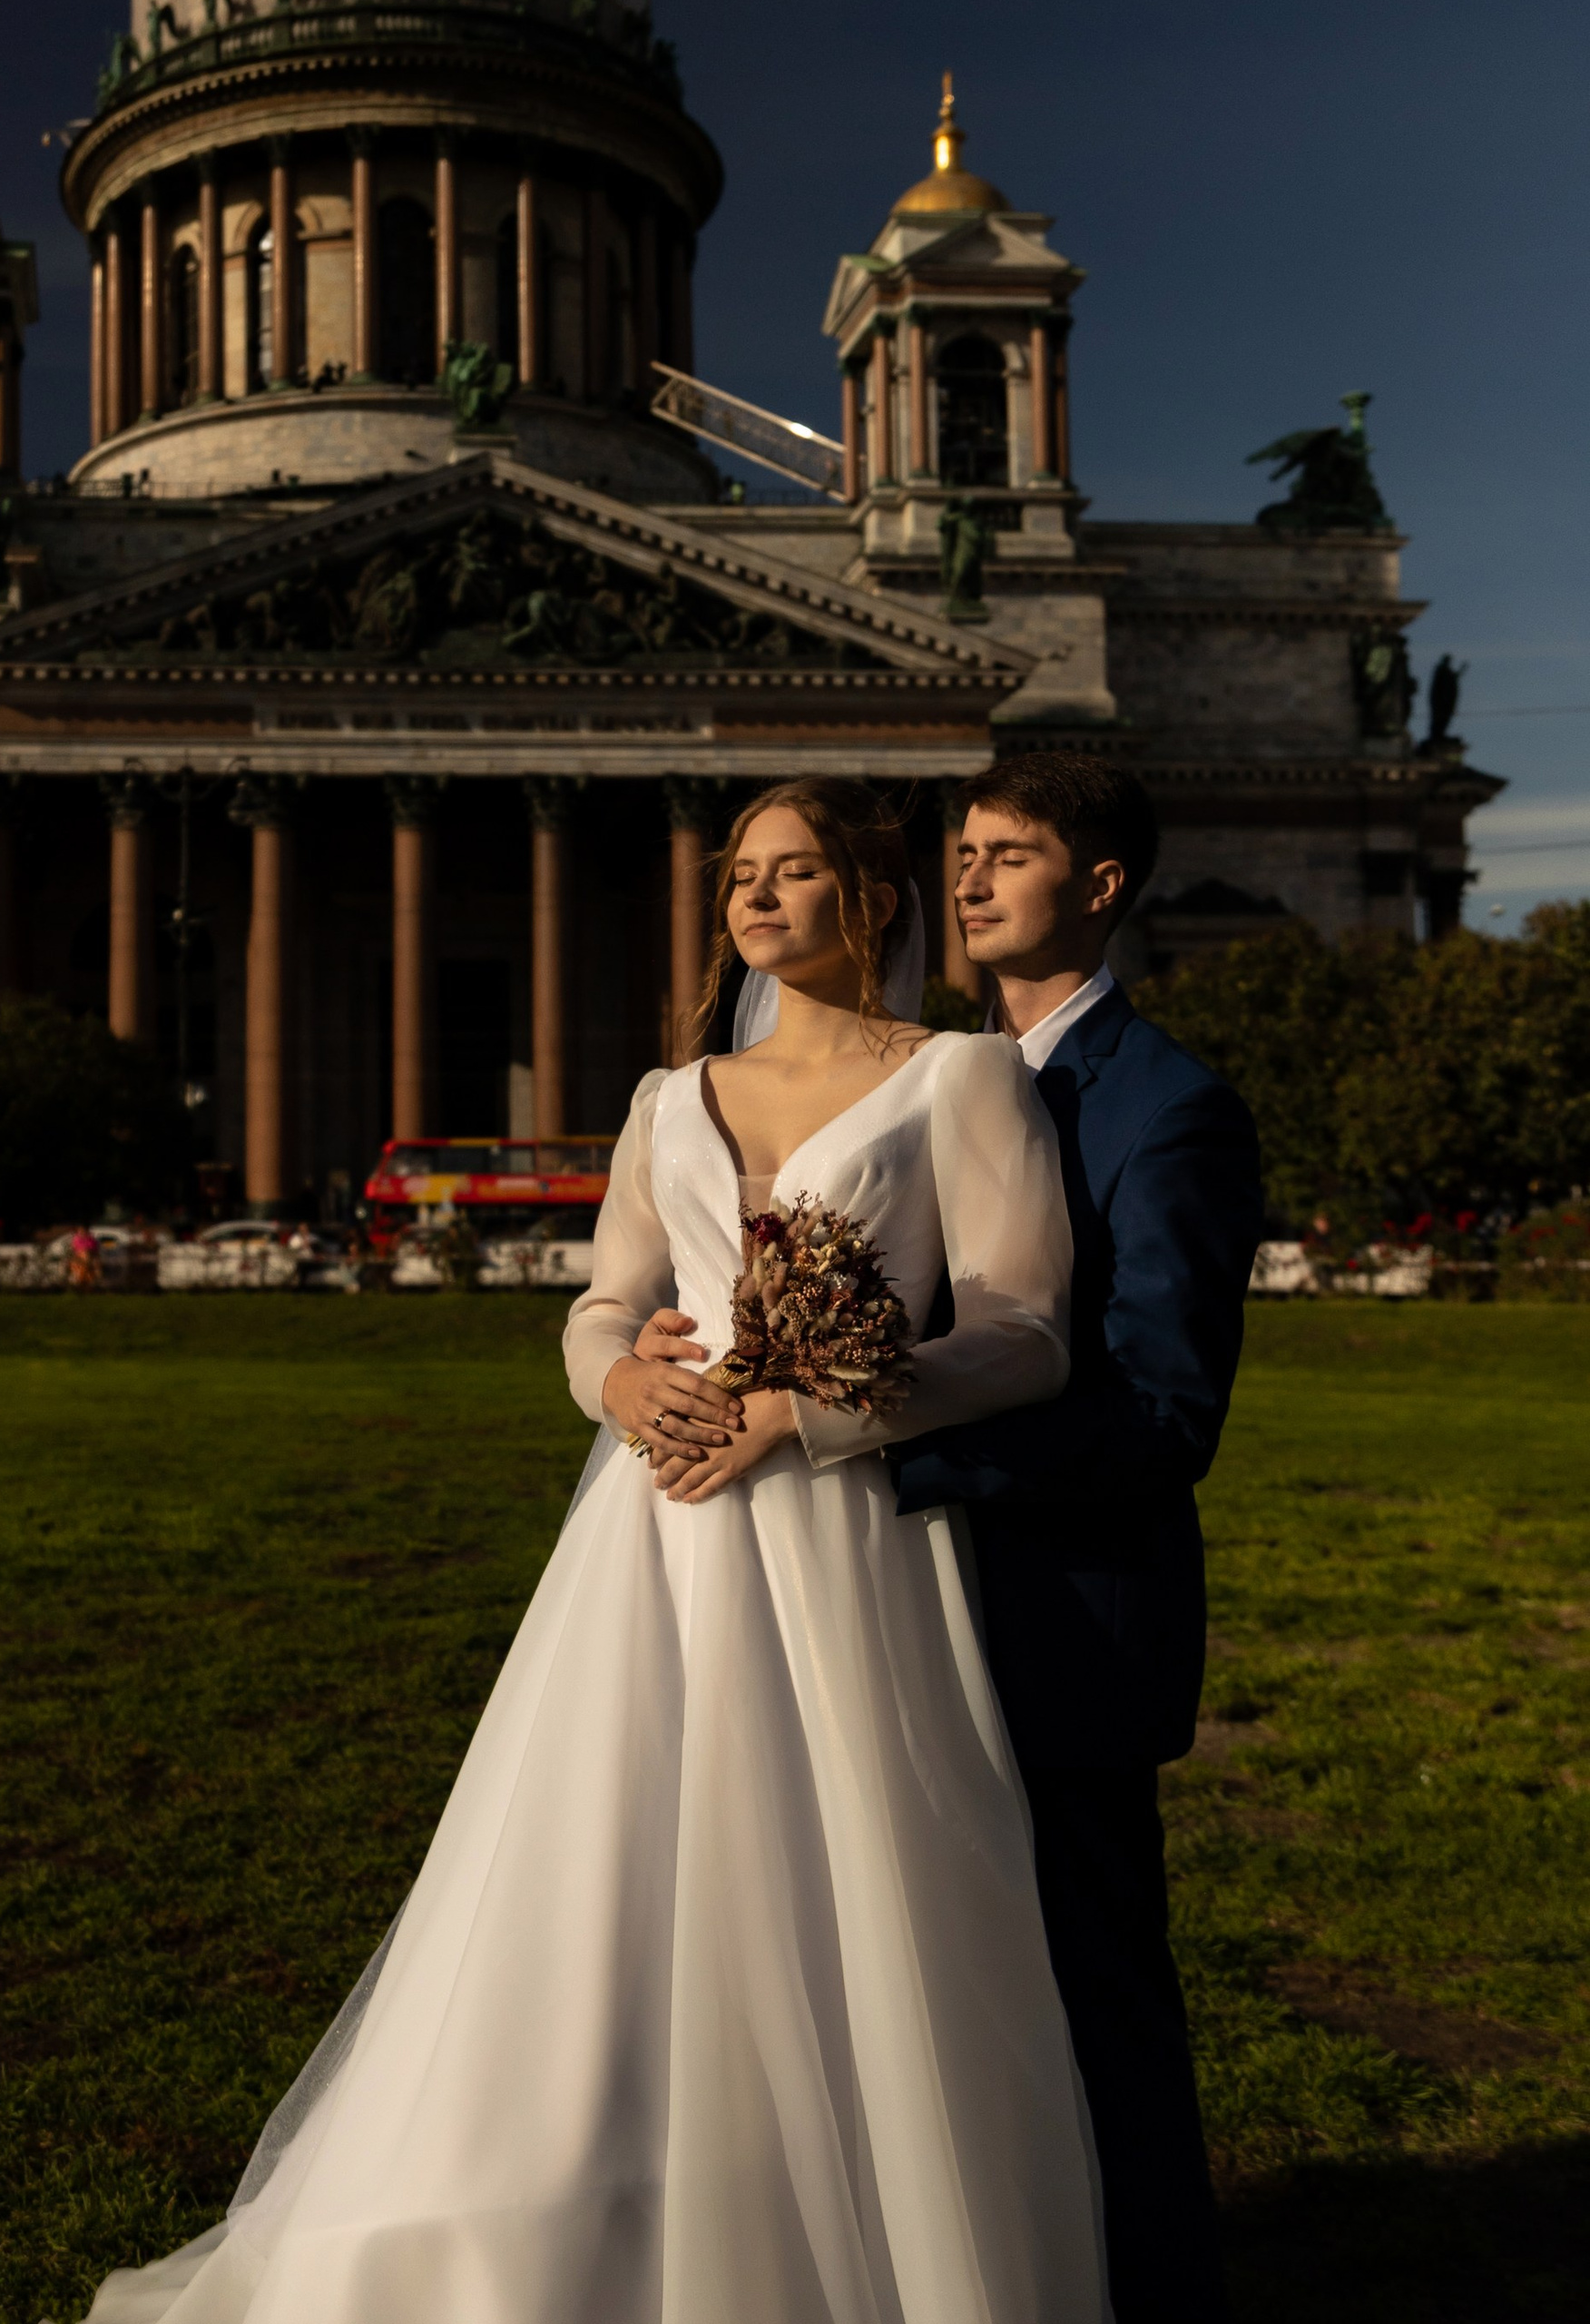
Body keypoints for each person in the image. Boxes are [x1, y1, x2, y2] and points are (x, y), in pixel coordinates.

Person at [86, 777, 1109, 2324]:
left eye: (793, 873)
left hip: (846, 1539)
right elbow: (598, 1309)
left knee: (848, 1894)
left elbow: (1028, 1334)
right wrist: (624, 1383)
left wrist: (812, 1412)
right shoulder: (664, 1095)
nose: (756, 901)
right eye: (741, 879)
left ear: (871, 899)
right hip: (657, 1542)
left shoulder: (963, 1079)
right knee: (608, 1888)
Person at [889, 752, 1263, 2324]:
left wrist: (892, 1455)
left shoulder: (1167, 1108)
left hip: (1064, 1618)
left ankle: (1153, 2288)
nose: (969, 880)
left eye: (1011, 854)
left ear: (1100, 888)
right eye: (963, 852)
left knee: (1094, 1984)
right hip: (906, 1616)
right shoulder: (921, 1081)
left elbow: (1165, 1413)